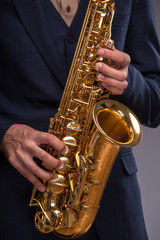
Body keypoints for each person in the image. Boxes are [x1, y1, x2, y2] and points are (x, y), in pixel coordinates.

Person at [0, 0, 160, 239]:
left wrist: (127, 79)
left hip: (117, 210)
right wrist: (3, 134)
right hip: (20, 201)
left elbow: (154, 105)